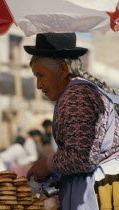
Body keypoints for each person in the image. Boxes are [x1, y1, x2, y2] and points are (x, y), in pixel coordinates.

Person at [24, 33, 119, 210]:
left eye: (41, 75)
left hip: (98, 192)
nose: (38, 85)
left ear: (62, 69)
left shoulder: (76, 95)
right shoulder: (81, 91)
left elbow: (83, 157)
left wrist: (47, 164)